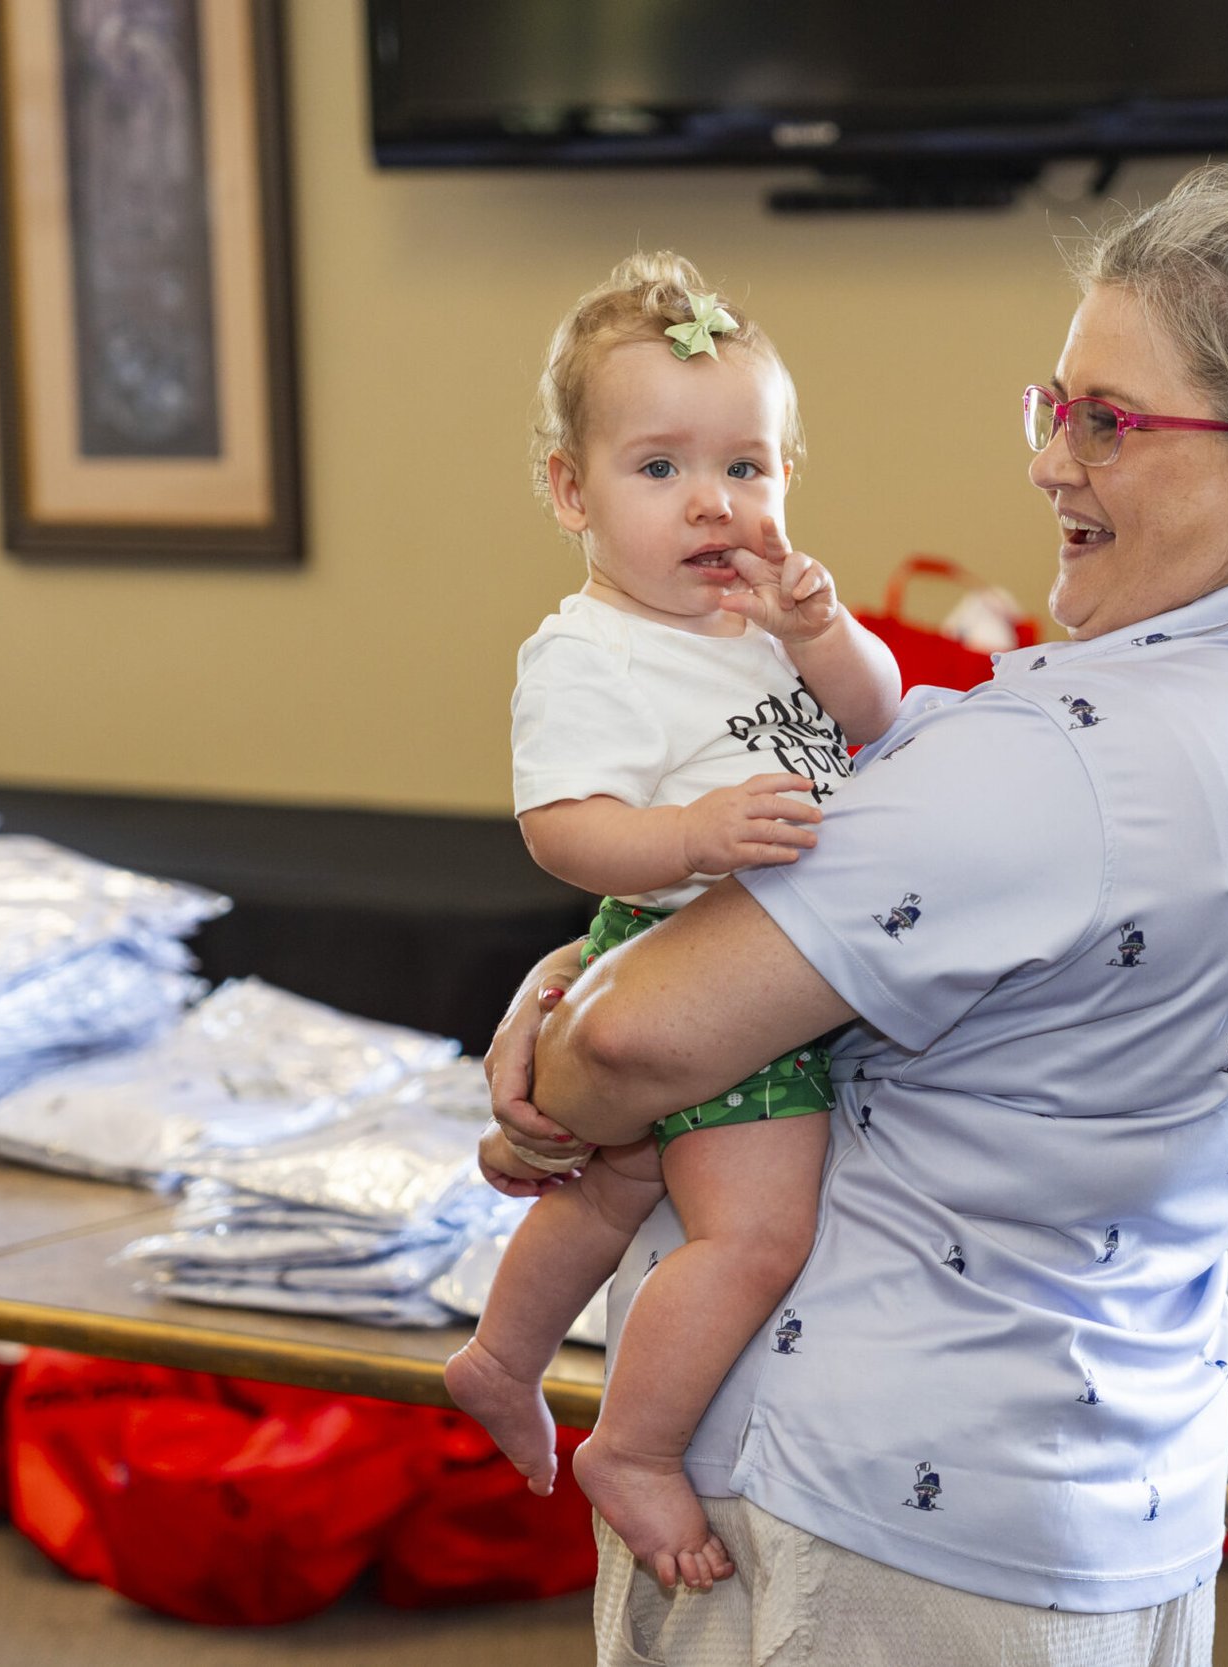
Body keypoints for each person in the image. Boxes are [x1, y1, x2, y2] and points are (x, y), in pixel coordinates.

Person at [491, 128, 1228, 1664]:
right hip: (1114, 1487)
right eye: (1054, 404)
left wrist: (557, 1030)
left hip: (878, 1529)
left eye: (1110, 420)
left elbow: (639, 1045)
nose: (1050, 458)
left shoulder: (1060, 762)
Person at [444, 253, 903, 1595]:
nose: (713, 502)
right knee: (754, 1236)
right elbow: (563, 827)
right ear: (569, 489)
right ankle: (633, 1443)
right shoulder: (589, 649)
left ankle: (500, 1356)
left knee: (615, 1180)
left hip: (743, 949)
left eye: (748, 468)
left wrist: (824, 634)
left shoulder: (757, 620)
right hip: (691, 958)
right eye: (659, 470)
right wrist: (694, 837)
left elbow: (876, 715)